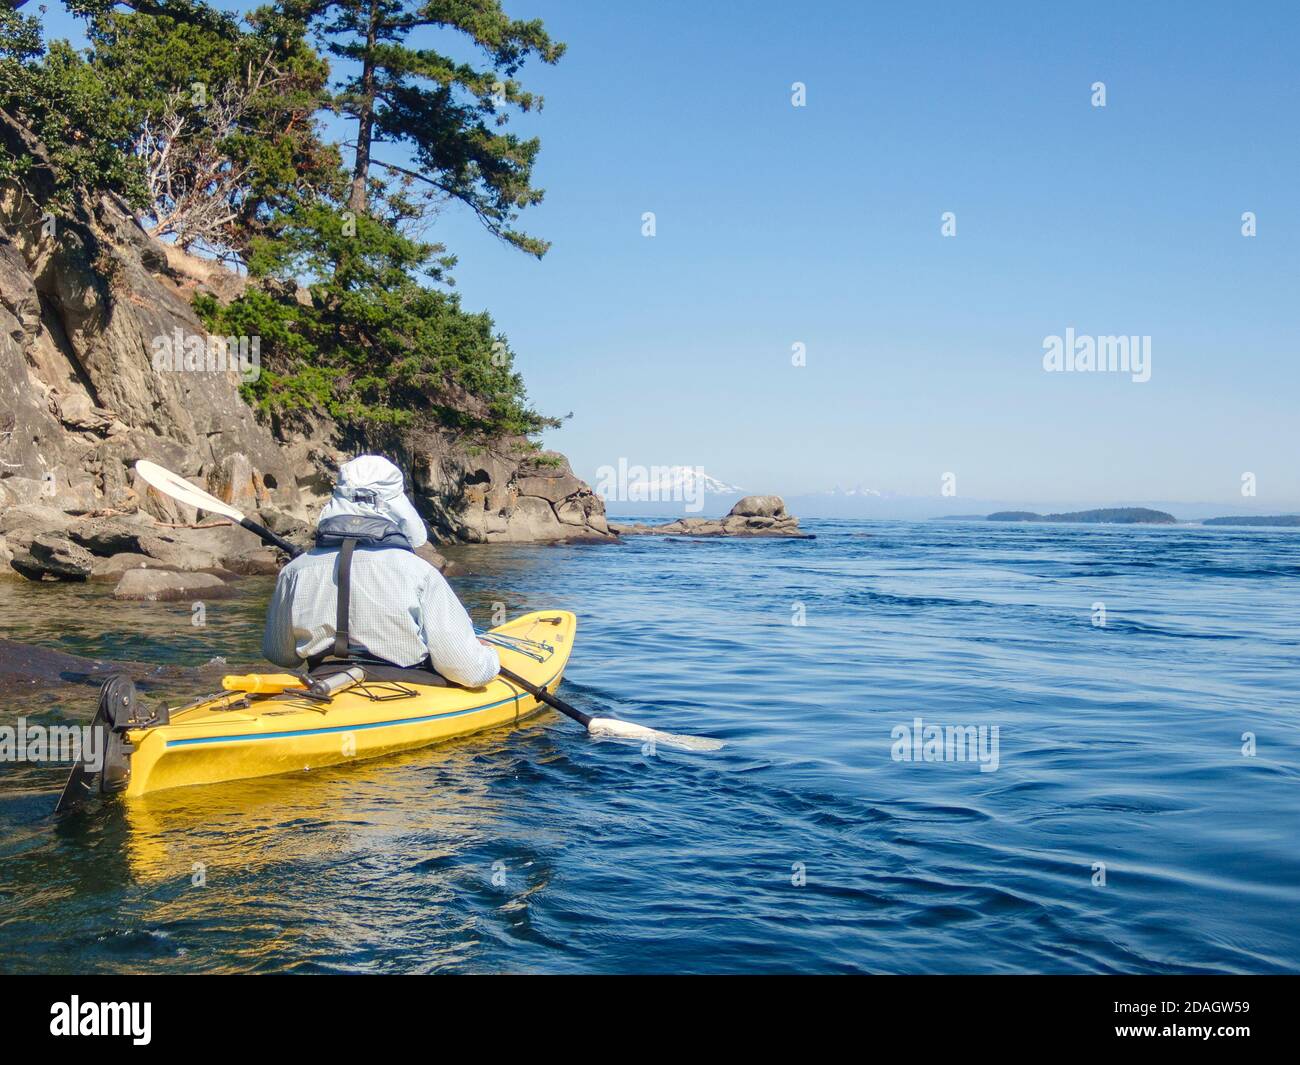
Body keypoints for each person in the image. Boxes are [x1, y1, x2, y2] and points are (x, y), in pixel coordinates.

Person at [262, 455, 500, 687]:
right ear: (396, 506)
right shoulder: (420, 572)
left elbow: (280, 656)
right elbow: (469, 671)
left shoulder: (294, 571)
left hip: (323, 683)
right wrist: (490, 656)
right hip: (403, 692)